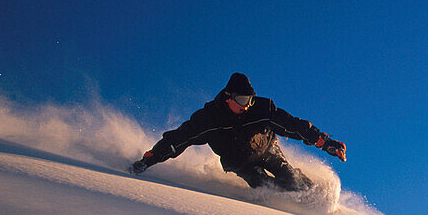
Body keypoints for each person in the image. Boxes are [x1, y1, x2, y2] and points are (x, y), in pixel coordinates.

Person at [128, 73, 346, 192]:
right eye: (242, 100)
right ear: (228, 97)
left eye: (250, 100)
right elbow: (178, 139)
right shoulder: (209, 119)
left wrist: (324, 142)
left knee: (293, 181)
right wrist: (150, 159)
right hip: (238, 161)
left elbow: (292, 125)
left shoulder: (261, 109)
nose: (246, 105)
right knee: (265, 187)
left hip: (267, 149)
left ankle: (311, 198)